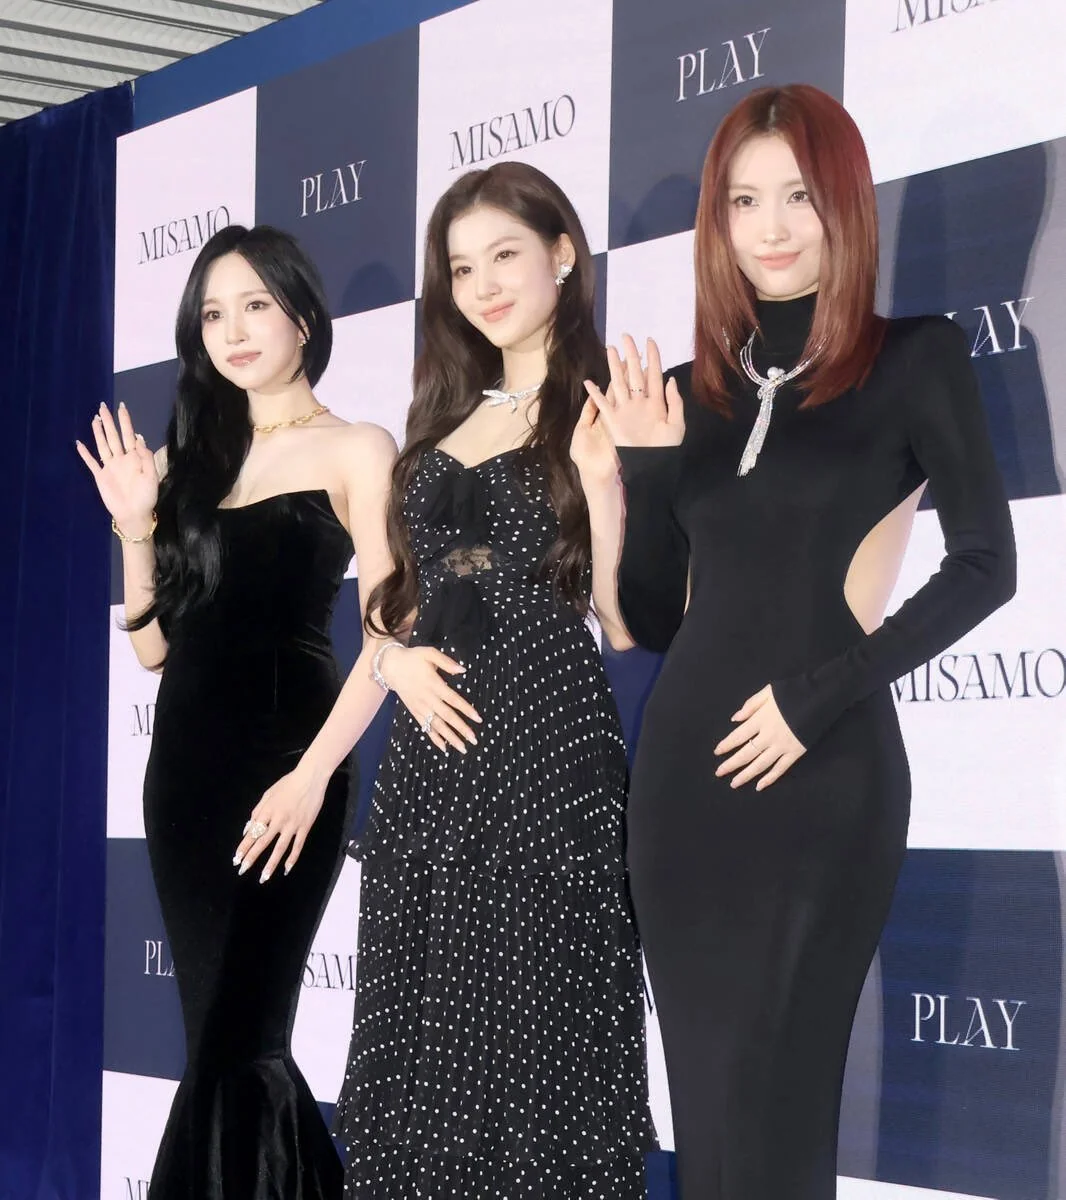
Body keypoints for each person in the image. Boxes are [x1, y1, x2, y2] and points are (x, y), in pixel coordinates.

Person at [584, 84, 1017, 1199]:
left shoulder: (915, 357)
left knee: (778, 1122)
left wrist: (812, 700)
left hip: (822, 775)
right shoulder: (687, 392)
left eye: (796, 196)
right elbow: (655, 621)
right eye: (743, 200)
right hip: (682, 791)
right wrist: (641, 471)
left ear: (843, 204)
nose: (770, 227)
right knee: (710, 1129)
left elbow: (986, 565)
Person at [332, 161, 656, 1197]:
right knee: (423, 1040)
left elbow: (622, 624)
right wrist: (393, 662)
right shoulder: (440, 417)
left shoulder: (609, 403)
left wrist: (607, 486)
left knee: (538, 1031)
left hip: (545, 744)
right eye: (462, 267)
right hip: (430, 764)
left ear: (562, 253)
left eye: (504, 255)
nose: (483, 285)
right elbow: (395, 606)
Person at [76, 224, 397, 1199]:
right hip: (185, 781)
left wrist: (310, 778)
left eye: (256, 304)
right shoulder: (192, 463)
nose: (235, 330)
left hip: (290, 765)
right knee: (223, 1045)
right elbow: (153, 647)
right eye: (214, 313)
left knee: (241, 1041)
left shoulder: (357, 447)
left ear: (304, 316)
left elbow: (388, 638)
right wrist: (136, 528)